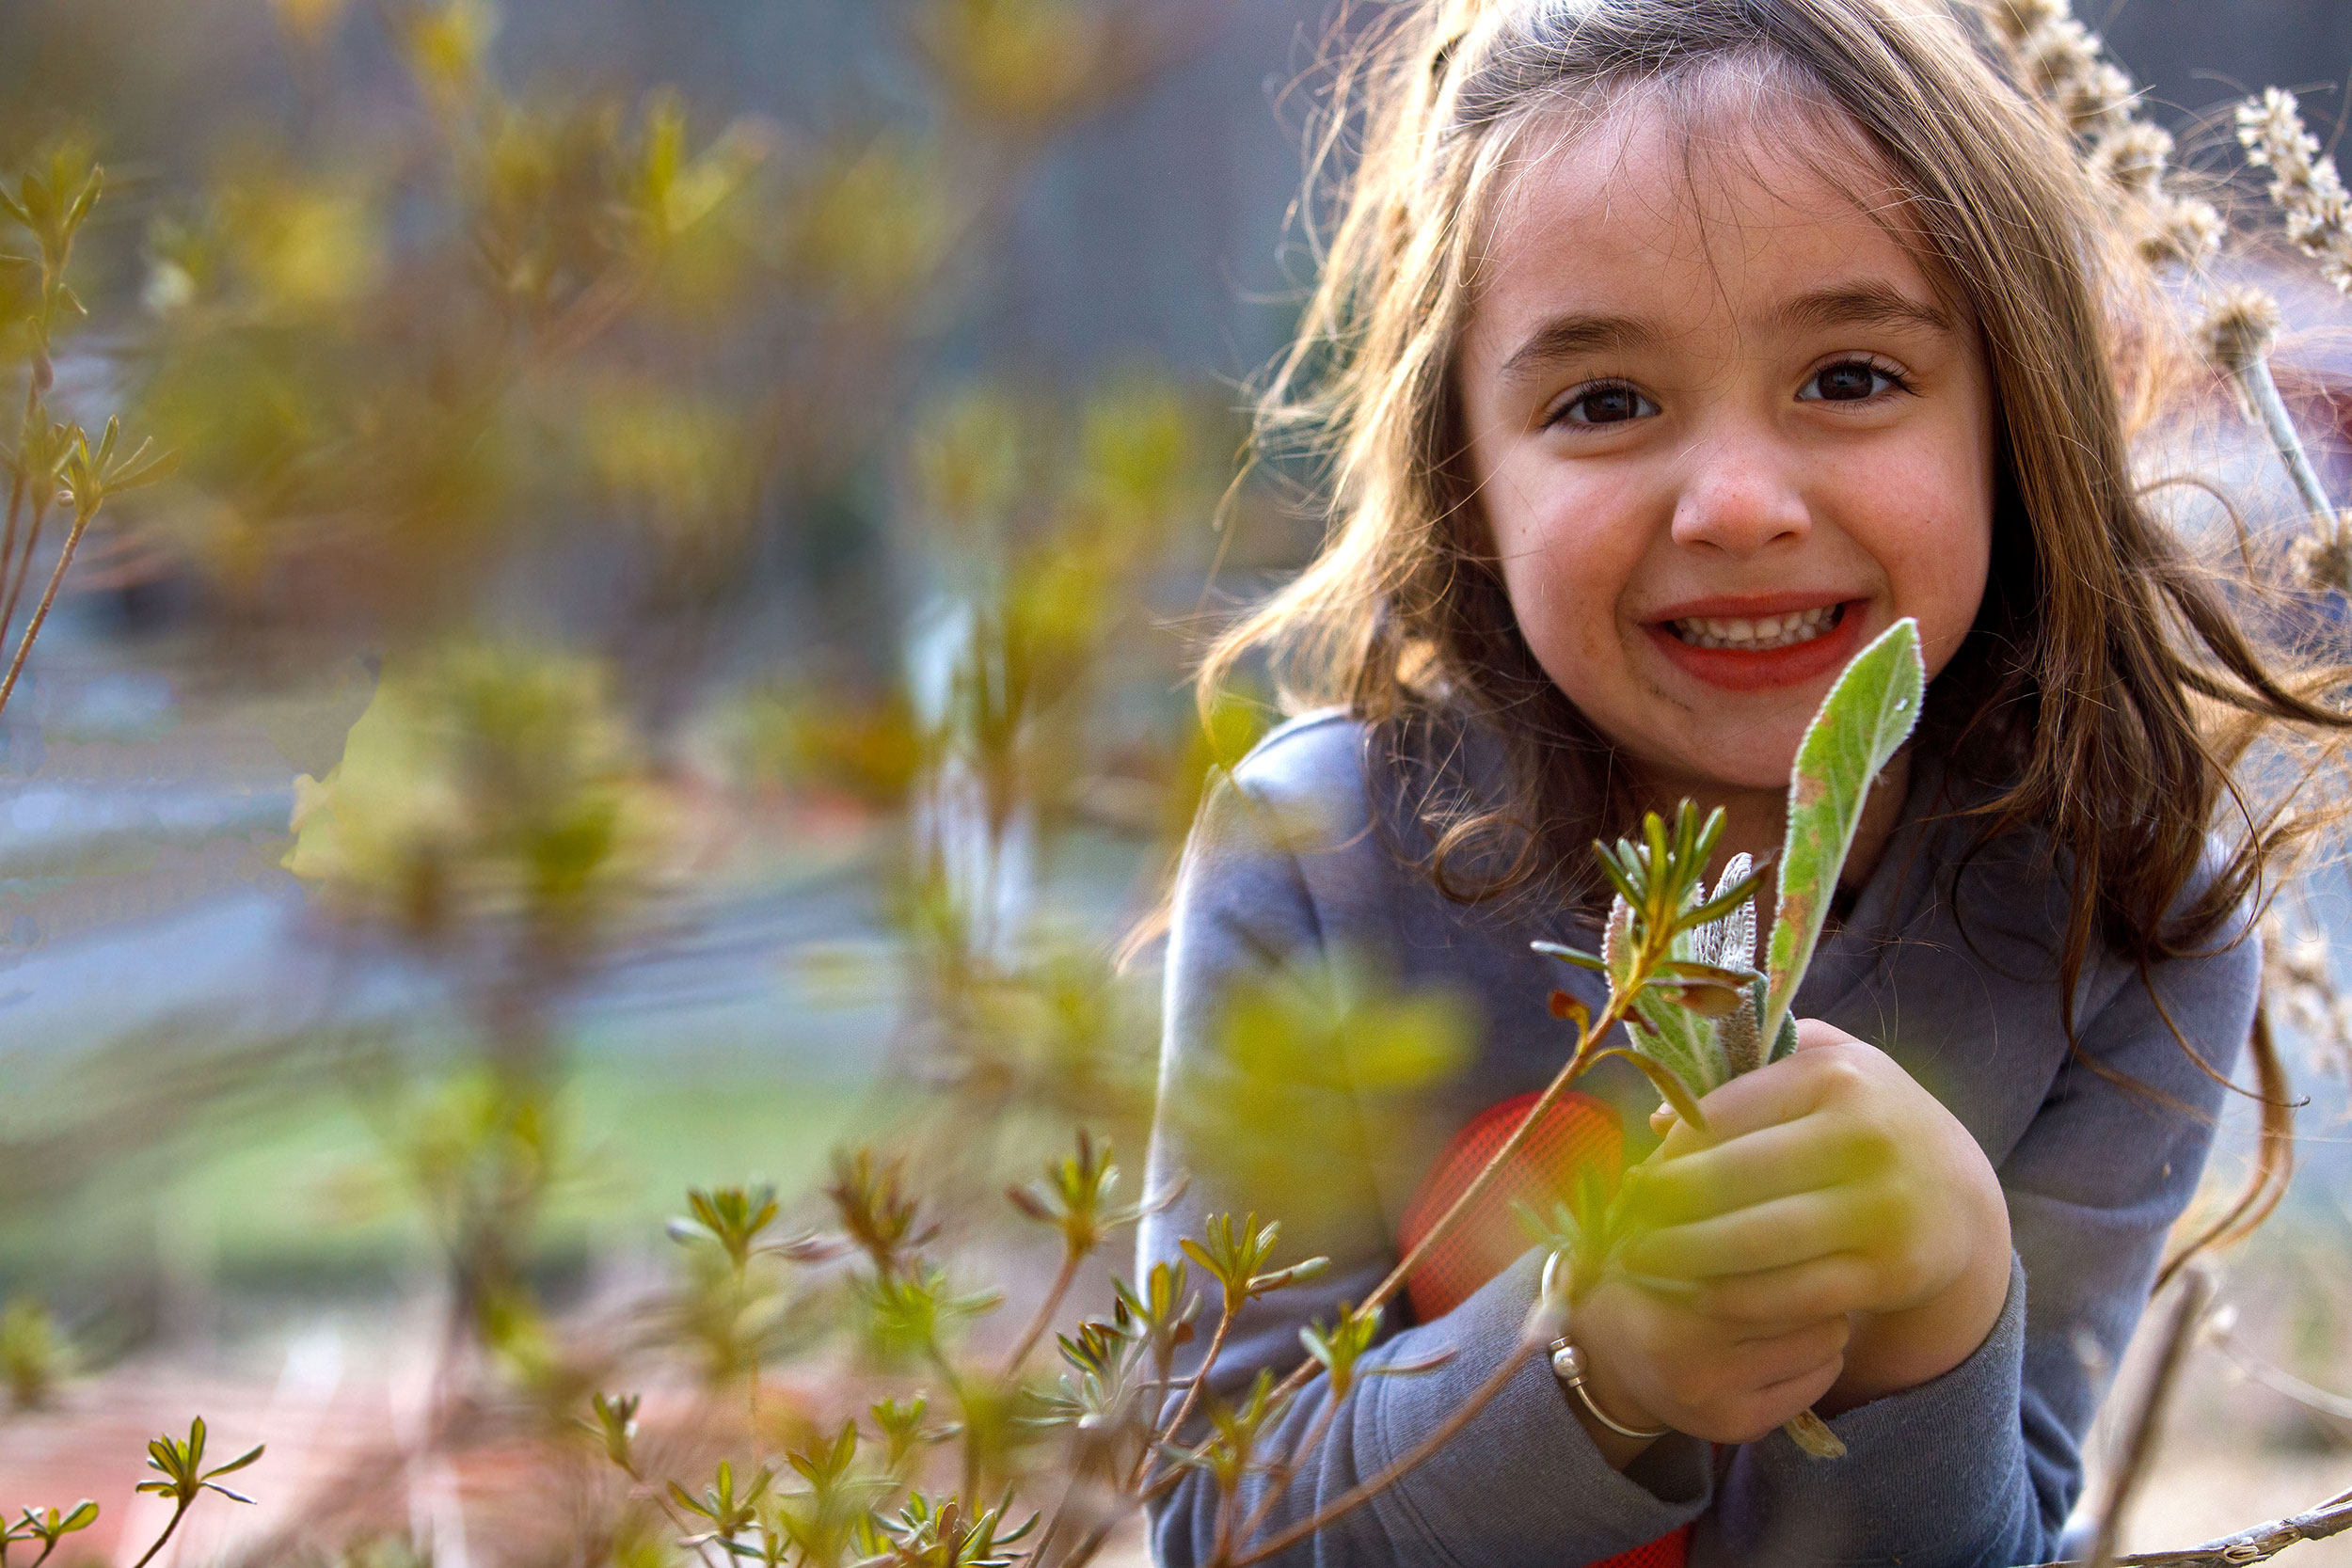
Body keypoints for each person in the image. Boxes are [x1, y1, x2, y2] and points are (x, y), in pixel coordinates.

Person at [1136, 1, 2344, 1564]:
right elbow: (1213, 1522)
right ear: (1469, 478)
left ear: (2016, 416)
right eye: (1604, 403)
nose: (1735, 501)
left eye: (1850, 376)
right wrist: (1586, 1364)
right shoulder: (1321, 862)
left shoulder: (2121, 915)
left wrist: (1950, 1320)